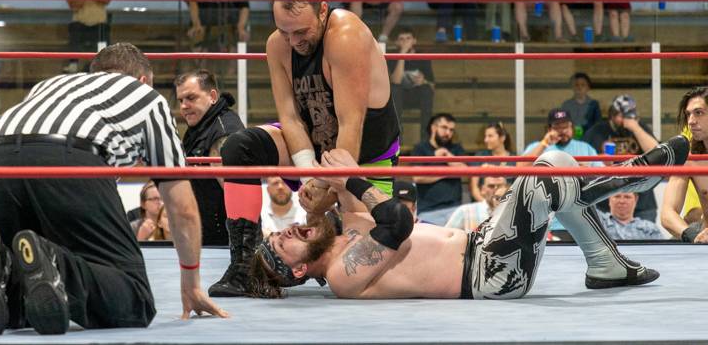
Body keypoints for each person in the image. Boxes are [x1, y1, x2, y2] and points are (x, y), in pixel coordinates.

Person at [0, 42, 226, 337]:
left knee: (23, 301)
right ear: (142, 81)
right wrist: (191, 283)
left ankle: (1, 267)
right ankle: (55, 262)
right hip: (67, 158)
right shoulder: (145, 96)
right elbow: (182, 205)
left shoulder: (51, 84)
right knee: (134, 299)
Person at [249, 139, 688, 300]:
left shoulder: (344, 238)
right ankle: (626, 179)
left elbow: (350, 195)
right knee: (544, 176)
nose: (284, 230)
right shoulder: (345, 278)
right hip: (491, 276)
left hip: (486, 244)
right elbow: (396, 220)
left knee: (553, 161)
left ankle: (605, 265)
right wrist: (352, 180)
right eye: (280, 243)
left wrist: (323, 200)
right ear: (299, 269)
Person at [208, 0, 400, 297]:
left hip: (365, 155)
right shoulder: (277, 45)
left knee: (369, 261)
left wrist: (327, 187)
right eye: (284, 31)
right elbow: (290, 117)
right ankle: (242, 269)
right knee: (239, 148)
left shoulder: (346, 33)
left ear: (322, 10)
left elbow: (350, 123)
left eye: (301, 31)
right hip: (312, 145)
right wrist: (310, 176)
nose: (294, 41)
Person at [176, 69, 245, 246]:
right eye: (180, 100)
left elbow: (238, 195)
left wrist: (242, 252)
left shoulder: (222, 132)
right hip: (209, 238)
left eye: (191, 98)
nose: (183, 106)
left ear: (212, 96)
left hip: (222, 243)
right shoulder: (202, 126)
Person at [583, 94, 660, 222]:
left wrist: (635, 128)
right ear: (612, 115)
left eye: (630, 115)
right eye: (622, 115)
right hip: (605, 201)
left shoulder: (639, 127)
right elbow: (583, 163)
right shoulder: (596, 130)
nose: (626, 120)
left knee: (646, 241)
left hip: (642, 200)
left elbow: (657, 153)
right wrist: (599, 161)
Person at [661, 86, 708, 243]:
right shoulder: (690, 160)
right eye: (688, 114)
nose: (691, 121)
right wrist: (692, 235)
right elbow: (667, 213)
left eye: (699, 113)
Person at [410, 113, 467, 221]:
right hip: (428, 209)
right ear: (433, 127)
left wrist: (447, 156)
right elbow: (417, 177)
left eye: (451, 130)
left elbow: (466, 172)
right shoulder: (420, 149)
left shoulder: (456, 148)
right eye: (444, 128)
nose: (448, 133)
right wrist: (449, 172)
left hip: (455, 209)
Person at [64, 0, 111, 73]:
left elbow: (106, 0)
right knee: (73, 32)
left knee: (103, 40)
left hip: (99, 23)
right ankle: (73, 64)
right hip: (80, 23)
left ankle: (103, 66)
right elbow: (72, 5)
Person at [388, 27, 434, 132]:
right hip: (399, 98)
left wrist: (424, 81)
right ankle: (398, 140)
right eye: (402, 39)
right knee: (395, 90)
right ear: (396, 42)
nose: (405, 42)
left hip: (417, 96)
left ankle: (425, 140)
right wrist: (402, 54)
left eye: (408, 38)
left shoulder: (423, 56)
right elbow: (396, 81)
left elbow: (432, 85)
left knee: (427, 89)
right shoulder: (391, 56)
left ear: (414, 40)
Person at [445, 176, 509, 231]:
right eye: (491, 186)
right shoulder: (465, 211)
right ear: (483, 190)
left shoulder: (513, 211)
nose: (496, 189)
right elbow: (446, 236)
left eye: (500, 186)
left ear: (508, 189)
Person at [469, 122, 513, 202]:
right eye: (485, 136)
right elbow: (474, 187)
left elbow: (517, 190)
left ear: (502, 138)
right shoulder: (480, 156)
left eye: (490, 136)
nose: (486, 140)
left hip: (506, 207)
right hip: (483, 206)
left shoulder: (514, 159)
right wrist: (485, 206)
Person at [597, 192, 665, 240]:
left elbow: (661, 254)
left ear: (636, 200)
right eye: (617, 196)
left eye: (627, 197)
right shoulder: (597, 222)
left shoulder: (650, 229)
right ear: (609, 199)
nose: (622, 201)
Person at [561, 72, 601, 136]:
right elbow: (562, 124)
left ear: (588, 87)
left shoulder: (594, 104)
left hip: (589, 139)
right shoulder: (566, 105)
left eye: (583, 85)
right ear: (572, 87)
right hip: (570, 138)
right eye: (576, 85)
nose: (579, 87)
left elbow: (598, 125)